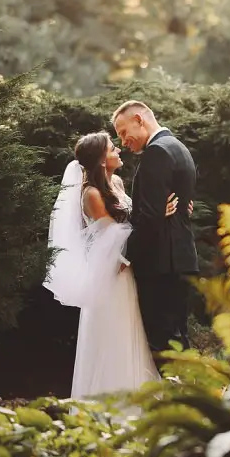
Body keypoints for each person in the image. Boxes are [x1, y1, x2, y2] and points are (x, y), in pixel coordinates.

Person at [43, 131, 185, 399]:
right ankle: (112, 404)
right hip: (111, 276)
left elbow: (135, 221)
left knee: (135, 332)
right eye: (111, 148)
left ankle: (139, 396)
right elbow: (113, 240)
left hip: (127, 271)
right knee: (114, 337)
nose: (118, 150)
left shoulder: (117, 183)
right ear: (100, 160)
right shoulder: (92, 194)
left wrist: (161, 214)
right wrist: (155, 219)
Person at [110, 100, 200, 364]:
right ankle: (192, 398)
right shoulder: (178, 147)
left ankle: (181, 401)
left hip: (162, 264)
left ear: (139, 119)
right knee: (178, 339)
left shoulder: (157, 152)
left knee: (164, 345)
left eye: (124, 132)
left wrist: (124, 256)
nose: (124, 142)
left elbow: (149, 217)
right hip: (179, 259)